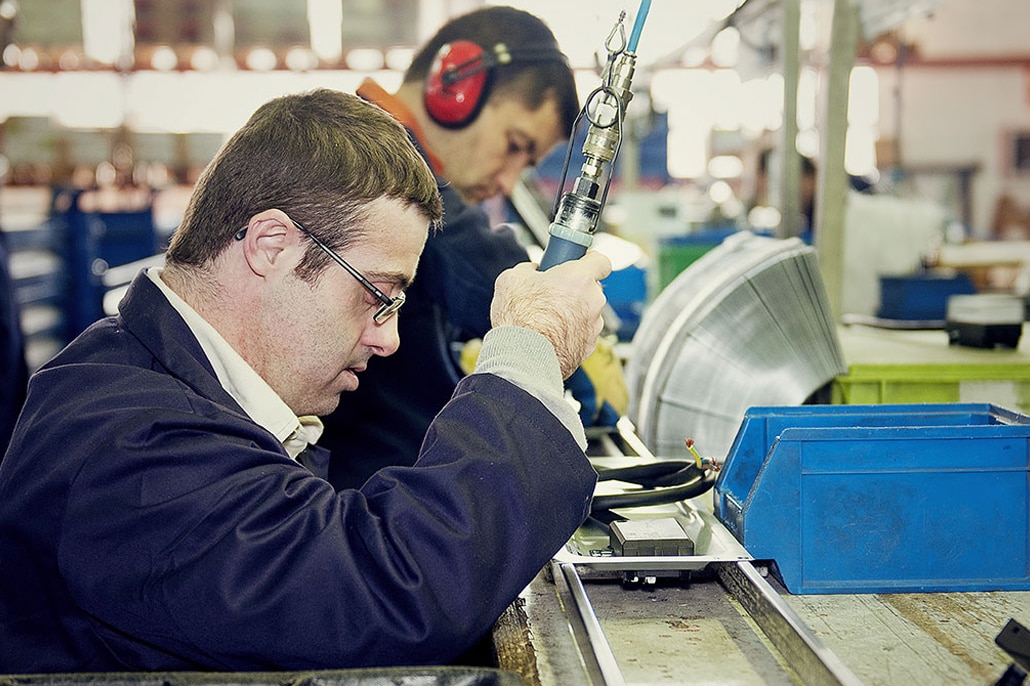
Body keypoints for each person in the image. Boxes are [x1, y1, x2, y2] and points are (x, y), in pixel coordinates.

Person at [0, 88, 612, 673]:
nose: (388, 338)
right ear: (271, 245)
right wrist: (530, 347)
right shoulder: (127, 446)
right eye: (378, 295)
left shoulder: (161, 382)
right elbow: (383, 594)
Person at [322, 5, 624, 490]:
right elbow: (487, 271)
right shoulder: (373, 161)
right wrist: (565, 340)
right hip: (361, 499)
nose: (506, 182)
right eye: (513, 145)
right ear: (455, 87)